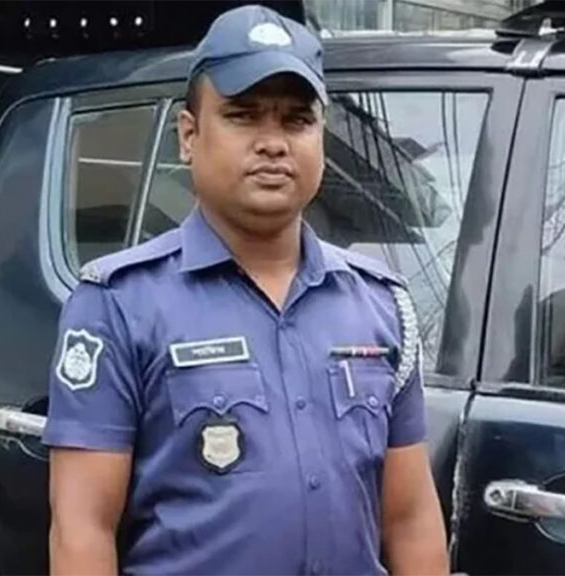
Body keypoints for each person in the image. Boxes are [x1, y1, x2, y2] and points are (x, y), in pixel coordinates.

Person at [42, 4, 448, 575]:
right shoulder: (118, 304)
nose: (273, 143)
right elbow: (83, 530)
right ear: (189, 135)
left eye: (296, 120)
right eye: (243, 116)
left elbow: (409, 519)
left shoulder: (380, 304)